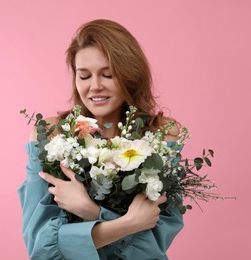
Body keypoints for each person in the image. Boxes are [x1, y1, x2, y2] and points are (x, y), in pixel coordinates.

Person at [18, 19, 184, 260]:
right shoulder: (51, 134)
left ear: (130, 76)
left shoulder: (161, 135)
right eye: (84, 76)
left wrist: (89, 211)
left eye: (107, 75)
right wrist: (128, 224)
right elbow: (40, 247)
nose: (95, 86)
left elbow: (153, 245)